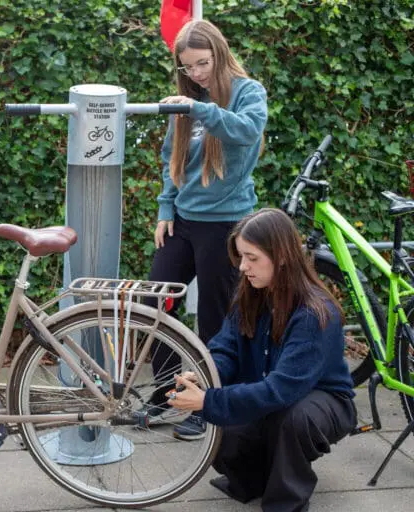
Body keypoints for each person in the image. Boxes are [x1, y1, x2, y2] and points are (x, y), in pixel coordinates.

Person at [167, 208, 357, 512]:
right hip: (276, 392)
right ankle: (256, 479)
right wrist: (204, 376)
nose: (243, 267)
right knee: (223, 426)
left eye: (252, 258)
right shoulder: (251, 293)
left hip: (321, 402)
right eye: (242, 257)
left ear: (281, 256)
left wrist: (208, 400)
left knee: (293, 420)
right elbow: (225, 348)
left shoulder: (313, 313)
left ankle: (286, 502)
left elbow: (281, 390)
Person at [144, 19, 269, 440]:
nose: (196, 74)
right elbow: (170, 159)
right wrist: (165, 207)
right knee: (154, 304)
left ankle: (206, 405)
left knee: (215, 320)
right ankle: (165, 393)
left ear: (219, 52)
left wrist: (199, 108)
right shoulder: (190, 99)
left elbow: (247, 132)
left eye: (202, 63)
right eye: (188, 67)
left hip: (226, 226)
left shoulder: (248, 93)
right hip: (182, 221)